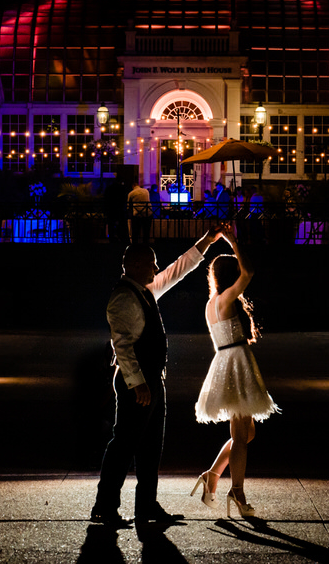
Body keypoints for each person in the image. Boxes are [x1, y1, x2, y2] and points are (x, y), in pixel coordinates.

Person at [91, 226, 226, 527]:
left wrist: (206, 241)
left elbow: (178, 270)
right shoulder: (124, 297)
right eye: (151, 263)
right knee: (124, 445)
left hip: (151, 380)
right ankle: (105, 507)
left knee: (151, 447)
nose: (156, 268)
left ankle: (146, 507)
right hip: (137, 384)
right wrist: (138, 383)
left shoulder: (145, 289)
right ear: (137, 265)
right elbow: (122, 344)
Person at [190, 229, 278, 518]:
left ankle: (213, 475)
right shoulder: (227, 299)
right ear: (232, 274)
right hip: (236, 361)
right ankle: (237, 492)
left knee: (247, 432)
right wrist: (233, 242)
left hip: (226, 360)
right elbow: (250, 270)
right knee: (241, 436)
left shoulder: (211, 304)